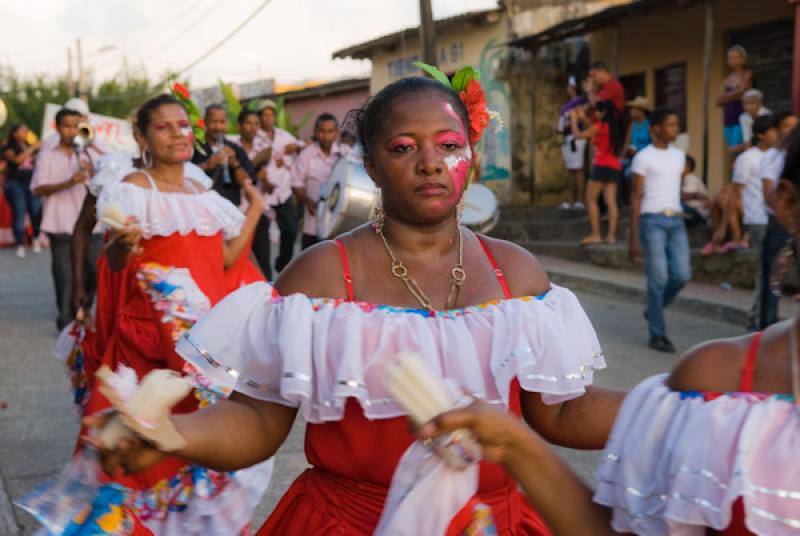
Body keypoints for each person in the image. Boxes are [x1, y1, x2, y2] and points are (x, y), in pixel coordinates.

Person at [88, 74, 624, 535]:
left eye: (448, 145)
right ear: (369, 163)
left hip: (496, 522)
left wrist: (679, 403)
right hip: (350, 523)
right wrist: (174, 435)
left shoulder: (518, 272)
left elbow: (561, 411)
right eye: (403, 148)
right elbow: (256, 418)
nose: (431, 163)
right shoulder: (323, 274)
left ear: (472, 158)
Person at [25, 94, 272, 535]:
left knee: (196, 444)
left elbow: (228, 258)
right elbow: (117, 261)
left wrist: (253, 209)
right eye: (165, 127)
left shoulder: (202, 189)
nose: (179, 134)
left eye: (183, 125)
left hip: (205, 346)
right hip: (148, 345)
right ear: (141, 136)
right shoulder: (132, 189)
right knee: (135, 450)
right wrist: (121, 245)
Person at [31, 108, 102, 330]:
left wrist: (95, 170)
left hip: (92, 225)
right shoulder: (47, 154)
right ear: (58, 127)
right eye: (67, 126)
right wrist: (69, 182)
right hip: (60, 222)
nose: (72, 131)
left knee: (95, 269)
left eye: (76, 126)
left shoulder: (93, 152)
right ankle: (66, 320)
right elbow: (37, 189)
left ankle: (82, 309)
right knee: (64, 273)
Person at [629, 107, 691, 353]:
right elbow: (636, 196)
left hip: (676, 220)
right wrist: (633, 237)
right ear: (656, 128)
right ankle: (658, 334)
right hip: (651, 219)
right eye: (671, 125)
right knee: (658, 279)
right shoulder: (643, 157)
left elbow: (676, 188)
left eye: (677, 125)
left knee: (682, 275)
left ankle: (652, 309)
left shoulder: (679, 156)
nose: (675, 129)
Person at [732, 115, 777, 331]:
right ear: (761, 134)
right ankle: (757, 319)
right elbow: (737, 192)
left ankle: (764, 317)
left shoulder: (778, 156)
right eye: (773, 131)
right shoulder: (747, 158)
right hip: (758, 219)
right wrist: (745, 221)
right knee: (766, 269)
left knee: (774, 270)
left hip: (775, 219)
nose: (777, 135)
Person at [759, 110, 799, 328]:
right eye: (787, 126)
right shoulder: (771, 158)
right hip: (780, 223)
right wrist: (788, 220)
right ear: (776, 131)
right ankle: (766, 326)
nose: (792, 131)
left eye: (796, 126)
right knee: (771, 279)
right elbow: (770, 195)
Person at [256, 99, 301, 272]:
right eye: (264, 115)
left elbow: (300, 145)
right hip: (263, 193)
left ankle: (283, 265)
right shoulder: (255, 136)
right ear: (260, 117)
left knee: (290, 230)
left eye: (271, 114)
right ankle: (264, 273)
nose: (268, 118)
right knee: (263, 237)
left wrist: (293, 148)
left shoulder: (283, 135)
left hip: (282, 191)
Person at [291, 112, 346, 249]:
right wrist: (307, 201)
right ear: (315, 132)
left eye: (330, 131)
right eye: (321, 131)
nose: (326, 136)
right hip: (313, 224)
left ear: (337, 132)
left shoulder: (346, 154)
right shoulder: (306, 155)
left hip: (339, 223)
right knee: (310, 263)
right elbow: (296, 183)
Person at [230, 108, 274, 279]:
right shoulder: (230, 148)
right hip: (236, 212)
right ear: (239, 126)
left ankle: (270, 294)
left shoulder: (264, 151)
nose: (252, 127)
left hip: (257, 213)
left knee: (263, 260)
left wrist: (264, 180)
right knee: (238, 259)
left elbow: (270, 189)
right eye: (248, 123)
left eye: (256, 123)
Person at [573, 100, 623, 245]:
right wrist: (583, 118)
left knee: (590, 199)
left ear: (602, 112)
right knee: (611, 202)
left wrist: (574, 120)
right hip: (614, 166)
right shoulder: (614, 127)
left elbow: (578, 135)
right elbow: (592, 129)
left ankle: (596, 234)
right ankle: (611, 236)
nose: (595, 114)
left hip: (601, 165)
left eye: (597, 111)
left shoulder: (600, 126)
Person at [191, 103, 255, 207]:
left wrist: (234, 163)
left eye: (222, 122)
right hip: (203, 208)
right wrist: (208, 164)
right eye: (213, 122)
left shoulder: (235, 148)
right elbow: (183, 176)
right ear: (205, 122)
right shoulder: (194, 148)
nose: (218, 127)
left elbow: (248, 182)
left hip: (231, 209)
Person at [2, 123, 43, 257]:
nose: (26, 132)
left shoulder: (28, 145)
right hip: (15, 184)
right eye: (23, 130)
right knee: (19, 214)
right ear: (15, 133)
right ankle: (20, 243)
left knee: (36, 212)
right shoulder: (8, 146)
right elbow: (17, 160)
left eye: (27, 130)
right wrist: (32, 148)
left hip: (31, 182)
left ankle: (36, 238)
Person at [558, 76, 587, 210]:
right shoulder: (569, 103)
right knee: (571, 170)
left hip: (576, 139)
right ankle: (572, 200)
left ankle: (580, 200)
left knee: (578, 170)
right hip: (567, 139)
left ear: (572, 87)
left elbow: (582, 119)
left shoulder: (579, 102)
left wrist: (569, 124)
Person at [717, 45, 753, 153]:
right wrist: (736, 93)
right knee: (732, 151)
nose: (732, 60)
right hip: (728, 119)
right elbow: (719, 101)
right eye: (730, 57)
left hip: (741, 117)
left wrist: (727, 96)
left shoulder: (747, 74)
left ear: (742, 59)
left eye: (735, 57)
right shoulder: (726, 80)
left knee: (741, 148)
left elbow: (743, 92)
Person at [681, 155, 710, 227]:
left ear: (687, 167)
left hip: (697, 215)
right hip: (692, 213)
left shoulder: (691, 178)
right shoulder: (683, 180)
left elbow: (684, 196)